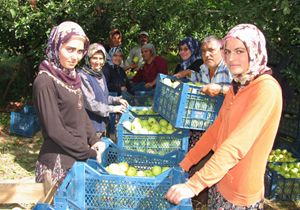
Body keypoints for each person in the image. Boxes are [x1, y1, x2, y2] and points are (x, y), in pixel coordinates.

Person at [165, 24, 283, 209]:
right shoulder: (238, 85)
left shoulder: (265, 89)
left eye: (239, 51)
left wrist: (194, 184)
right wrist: (185, 163)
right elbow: (216, 129)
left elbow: (238, 144)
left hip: (240, 194)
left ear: (254, 51)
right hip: (219, 181)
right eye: (227, 51)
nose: (231, 58)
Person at [33, 21, 105, 184]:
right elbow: (54, 131)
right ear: (56, 46)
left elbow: (80, 112)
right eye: (70, 49)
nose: (75, 57)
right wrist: (88, 153)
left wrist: (94, 140)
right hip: (59, 165)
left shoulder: (72, 77)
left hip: (77, 159)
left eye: (80, 51)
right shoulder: (45, 81)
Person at [78, 43, 128, 138]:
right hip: (91, 126)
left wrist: (117, 100)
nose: (98, 62)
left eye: (101, 58)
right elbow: (91, 104)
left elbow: (104, 97)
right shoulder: (83, 76)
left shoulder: (100, 74)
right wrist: (113, 109)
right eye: (94, 58)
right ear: (88, 59)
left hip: (102, 123)